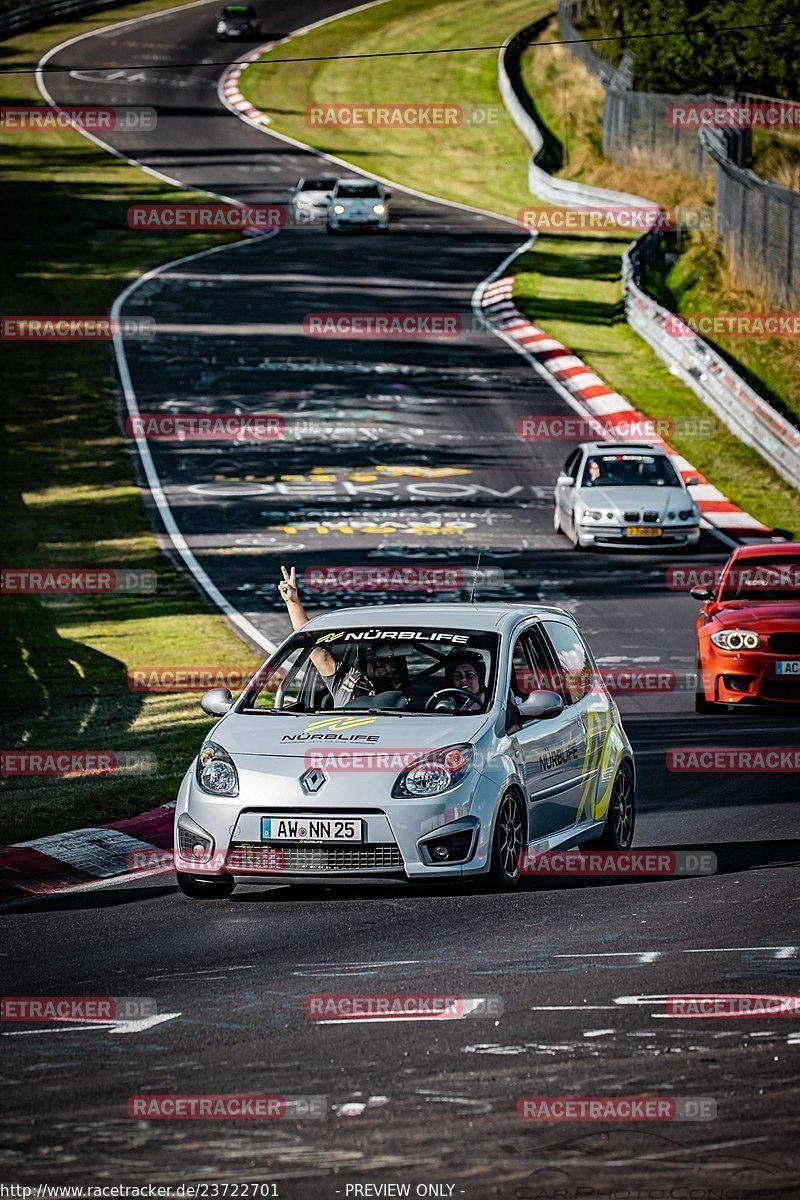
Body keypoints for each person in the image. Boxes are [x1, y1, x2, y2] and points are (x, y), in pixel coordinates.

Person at [277, 565, 406, 706]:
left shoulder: (419, 696)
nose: (378, 664)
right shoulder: (348, 680)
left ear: (397, 664)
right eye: (373, 658)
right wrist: (292, 602)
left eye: (385, 658)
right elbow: (310, 643)